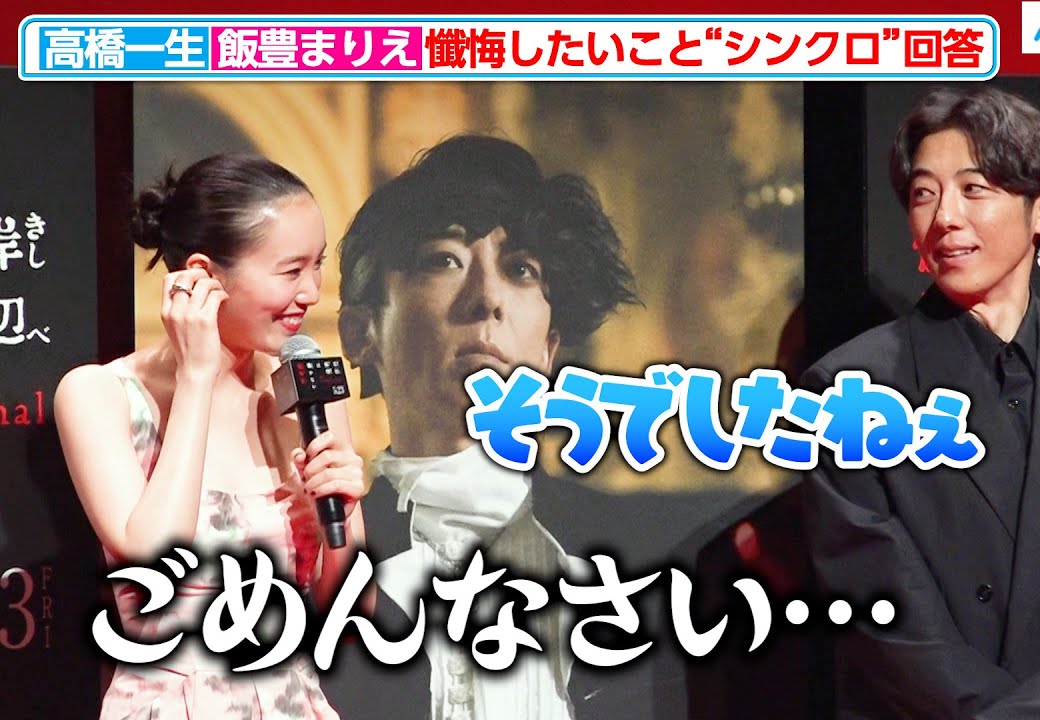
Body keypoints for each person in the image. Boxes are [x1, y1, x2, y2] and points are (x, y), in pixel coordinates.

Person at [801, 87, 1040, 718]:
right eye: (924, 194)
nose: (944, 217)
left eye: (974, 189)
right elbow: (883, 611)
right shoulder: (849, 389)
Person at [55, 153, 369, 719]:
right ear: (203, 275)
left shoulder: (307, 396)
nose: (312, 292)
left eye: (318, 265)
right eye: (291, 271)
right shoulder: (99, 394)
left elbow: (347, 620)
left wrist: (345, 514)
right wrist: (197, 378)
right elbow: (155, 561)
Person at [336, 134, 638, 720]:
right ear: (360, 331)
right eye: (444, 260)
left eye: (521, 269)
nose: (488, 298)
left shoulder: (637, 554)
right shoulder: (310, 571)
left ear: (549, 347)